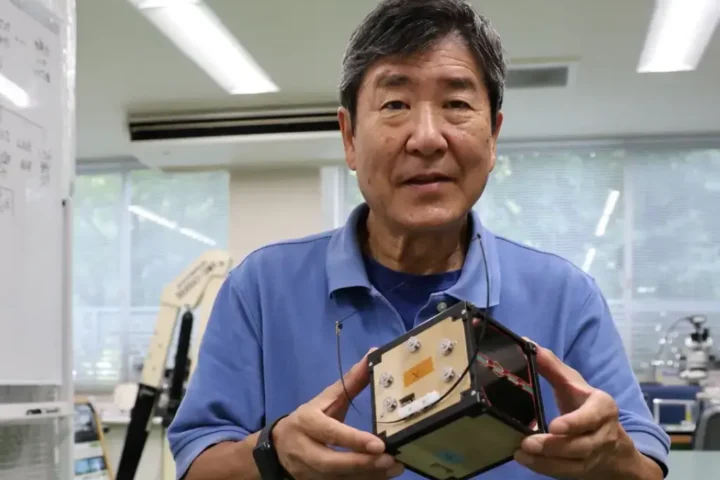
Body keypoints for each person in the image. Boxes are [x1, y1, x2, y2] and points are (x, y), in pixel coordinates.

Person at [167, 0, 671, 478]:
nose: (427, 137)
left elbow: (644, 461)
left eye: (456, 103)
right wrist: (273, 452)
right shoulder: (260, 287)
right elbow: (196, 461)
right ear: (349, 138)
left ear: (493, 136)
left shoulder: (565, 294)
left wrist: (611, 456)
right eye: (394, 103)